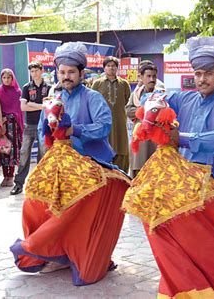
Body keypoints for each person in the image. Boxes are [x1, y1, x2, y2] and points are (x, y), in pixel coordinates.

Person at [124, 36, 214, 298]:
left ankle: (213, 279)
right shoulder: (185, 99)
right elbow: (159, 98)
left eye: (208, 74)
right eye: (198, 73)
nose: (202, 79)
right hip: (186, 173)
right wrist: (153, 108)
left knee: (185, 219)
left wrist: (180, 138)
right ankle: (184, 277)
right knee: (152, 208)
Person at [10, 42, 131, 285]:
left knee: (79, 204)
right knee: (34, 199)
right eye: (62, 72)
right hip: (61, 162)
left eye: (71, 72)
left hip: (92, 162)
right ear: (57, 73)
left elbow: (103, 126)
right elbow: (47, 133)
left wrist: (75, 128)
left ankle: (83, 254)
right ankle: (50, 251)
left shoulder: (93, 98)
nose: (66, 77)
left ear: (81, 74)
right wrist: (50, 127)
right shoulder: (52, 100)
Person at [10, 61, 51, 195]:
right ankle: (19, 183)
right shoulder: (27, 87)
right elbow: (23, 107)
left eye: (37, 70)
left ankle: (40, 183)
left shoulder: (49, 87)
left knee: (43, 154)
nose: (34, 73)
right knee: (24, 153)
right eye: (32, 71)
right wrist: (40, 106)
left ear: (42, 70)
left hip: (45, 124)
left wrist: (32, 104)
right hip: (30, 125)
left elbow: (50, 105)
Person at [92, 56, 131, 172]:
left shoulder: (124, 84)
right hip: (102, 122)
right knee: (103, 146)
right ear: (104, 68)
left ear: (117, 68)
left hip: (120, 121)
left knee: (121, 147)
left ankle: (122, 175)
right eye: (108, 66)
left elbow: (127, 99)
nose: (111, 68)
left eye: (113, 66)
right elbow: (93, 101)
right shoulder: (97, 84)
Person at [125, 62, 159, 177]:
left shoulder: (160, 94)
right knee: (138, 169)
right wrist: (145, 111)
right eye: (148, 76)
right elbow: (128, 111)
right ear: (141, 77)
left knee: (155, 170)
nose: (152, 79)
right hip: (139, 136)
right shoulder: (136, 95)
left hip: (156, 136)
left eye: (154, 76)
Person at [0, 68, 24, 187]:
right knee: (2, 149)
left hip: (13, 125)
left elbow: (17, 110)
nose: (6, 80)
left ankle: (10, 176)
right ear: (1, 78)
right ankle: (4, 175)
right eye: (4, 77)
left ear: (12, 78)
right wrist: (0, 120)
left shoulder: (17, 92)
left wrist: (7, 118)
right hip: (0, 123)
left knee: (11, 149)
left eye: (9, 77)